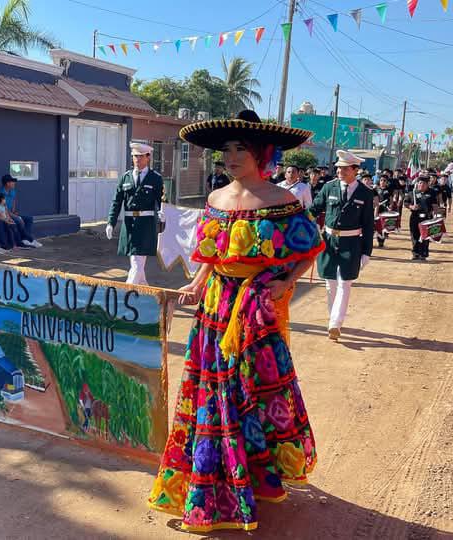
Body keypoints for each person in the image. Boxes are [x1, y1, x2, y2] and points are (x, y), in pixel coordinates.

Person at [148, 110, 323, 532]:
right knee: (213, 390)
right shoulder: (215, 200)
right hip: (214, 310)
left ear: (262, 153)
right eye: (226, 149)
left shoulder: (282, 201)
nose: (230, 156)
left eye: (239, 148)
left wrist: (286, 282)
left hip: (257, 313)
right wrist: (196, 283)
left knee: (255, 390)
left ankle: (257, 476)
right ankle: (213, 483)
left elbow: (309, 248)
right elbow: (211, 255)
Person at [309, 150, 375, 341]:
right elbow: (314, 209)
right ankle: (334, 320)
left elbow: (369, 225)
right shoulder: (329, 187)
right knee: (330, 284)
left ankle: (335, 324)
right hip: (329, 242)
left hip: (351, 243)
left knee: (344, 284)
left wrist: (366, 252)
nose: (340, 171)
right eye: (338, 168)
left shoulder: (365, 193)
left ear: (355, 170)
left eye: (345, 169)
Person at [106, 142, 165, 285]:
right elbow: (116, 202)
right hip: (129, 226)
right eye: (134, 157)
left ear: (148, 157)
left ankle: (127, 292)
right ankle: (144, 291)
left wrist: (164, 214)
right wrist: (110, 223)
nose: (137, 160)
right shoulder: (125, 177)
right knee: (136, 263)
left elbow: (162, 200)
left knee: (137, 263)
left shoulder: (155, 178)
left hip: (146, 225)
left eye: (140, 157)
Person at [0, 174, 42, 248]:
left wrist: (14, 210)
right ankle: (30, 239)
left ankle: (25, 239)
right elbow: (4, 209)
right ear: (7, 183)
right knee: (18, 220)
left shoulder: (12, 191)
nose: (14, 183)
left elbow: (13, 200)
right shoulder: (1, 193)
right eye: (12, 182)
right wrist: (16, 216)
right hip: (4, 215)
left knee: (29, 218)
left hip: (11, 213)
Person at [405, 176, 438, 261]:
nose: (421, 185)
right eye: (420, 183)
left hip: (427, 218)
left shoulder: (432, 193)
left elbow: (434, 205)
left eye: (424, 183)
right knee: (415, 236)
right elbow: (406, 203)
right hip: (415, 217)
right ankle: (415, 254)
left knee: (425, 236)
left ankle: (423, 253)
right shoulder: (412, 193)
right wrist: (411, 206)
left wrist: (436, 216)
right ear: (417, 184)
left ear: (427, 185)